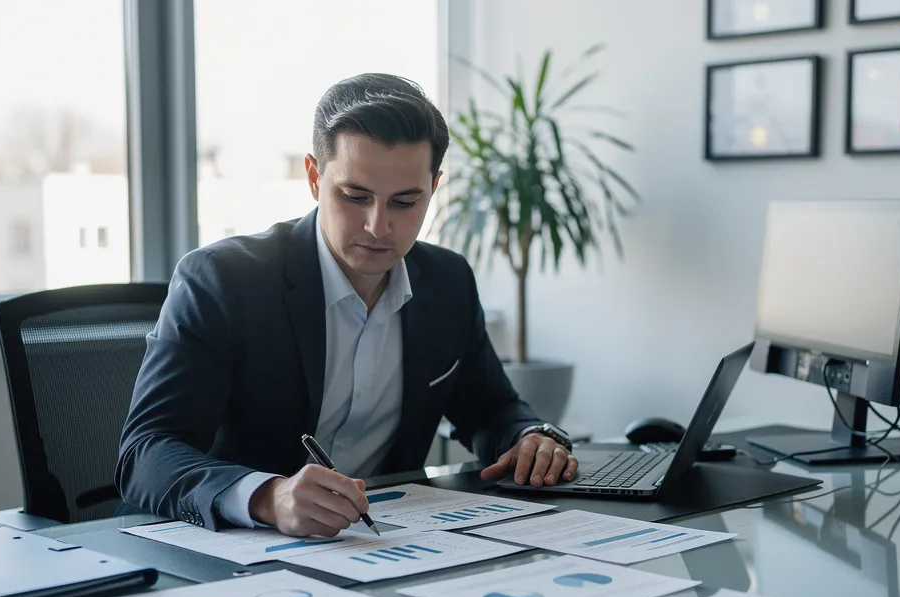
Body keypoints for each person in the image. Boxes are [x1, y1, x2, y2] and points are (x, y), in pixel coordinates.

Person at [116, 73, 577, 535]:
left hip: (382, 547)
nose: (378, 226)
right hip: (229, 549)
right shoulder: (223, 280)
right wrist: (266, 496)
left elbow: (492, 410)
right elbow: (146, 453)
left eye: (404, 202)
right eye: (355, 196)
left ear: (434, 188)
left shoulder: (447, 282)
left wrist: (529, 438)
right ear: (315, 178)